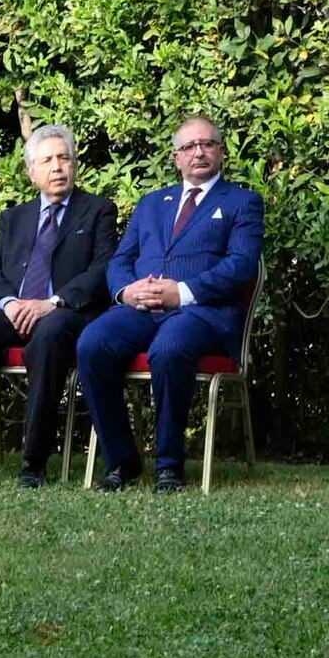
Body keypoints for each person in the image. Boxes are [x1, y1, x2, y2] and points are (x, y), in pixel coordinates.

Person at [70, 116, 263, 492]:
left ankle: (169, 465)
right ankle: (122, 462)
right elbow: (120, 260)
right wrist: (126, 291)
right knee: (92, 344)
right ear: (176, 158)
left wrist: (184, 292)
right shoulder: (152, 203)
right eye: (189, 147)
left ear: (221, 152)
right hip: (140, 310)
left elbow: (241, 265)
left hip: (202, 314)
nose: (199, 153)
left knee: (170, 347)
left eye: (207, 144)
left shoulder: (243, 202)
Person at [0, 123, 115, 485]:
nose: (58, 167)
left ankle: (33, 464)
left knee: (49, 335)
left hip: (66, 314)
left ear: (75, 165)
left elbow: (103, 270)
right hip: (15, 310)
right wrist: (8, 303)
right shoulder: (14, 217)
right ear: (31, 171)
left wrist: (52, 302)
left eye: (64, 158)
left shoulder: (98, 210)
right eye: (48, 160)